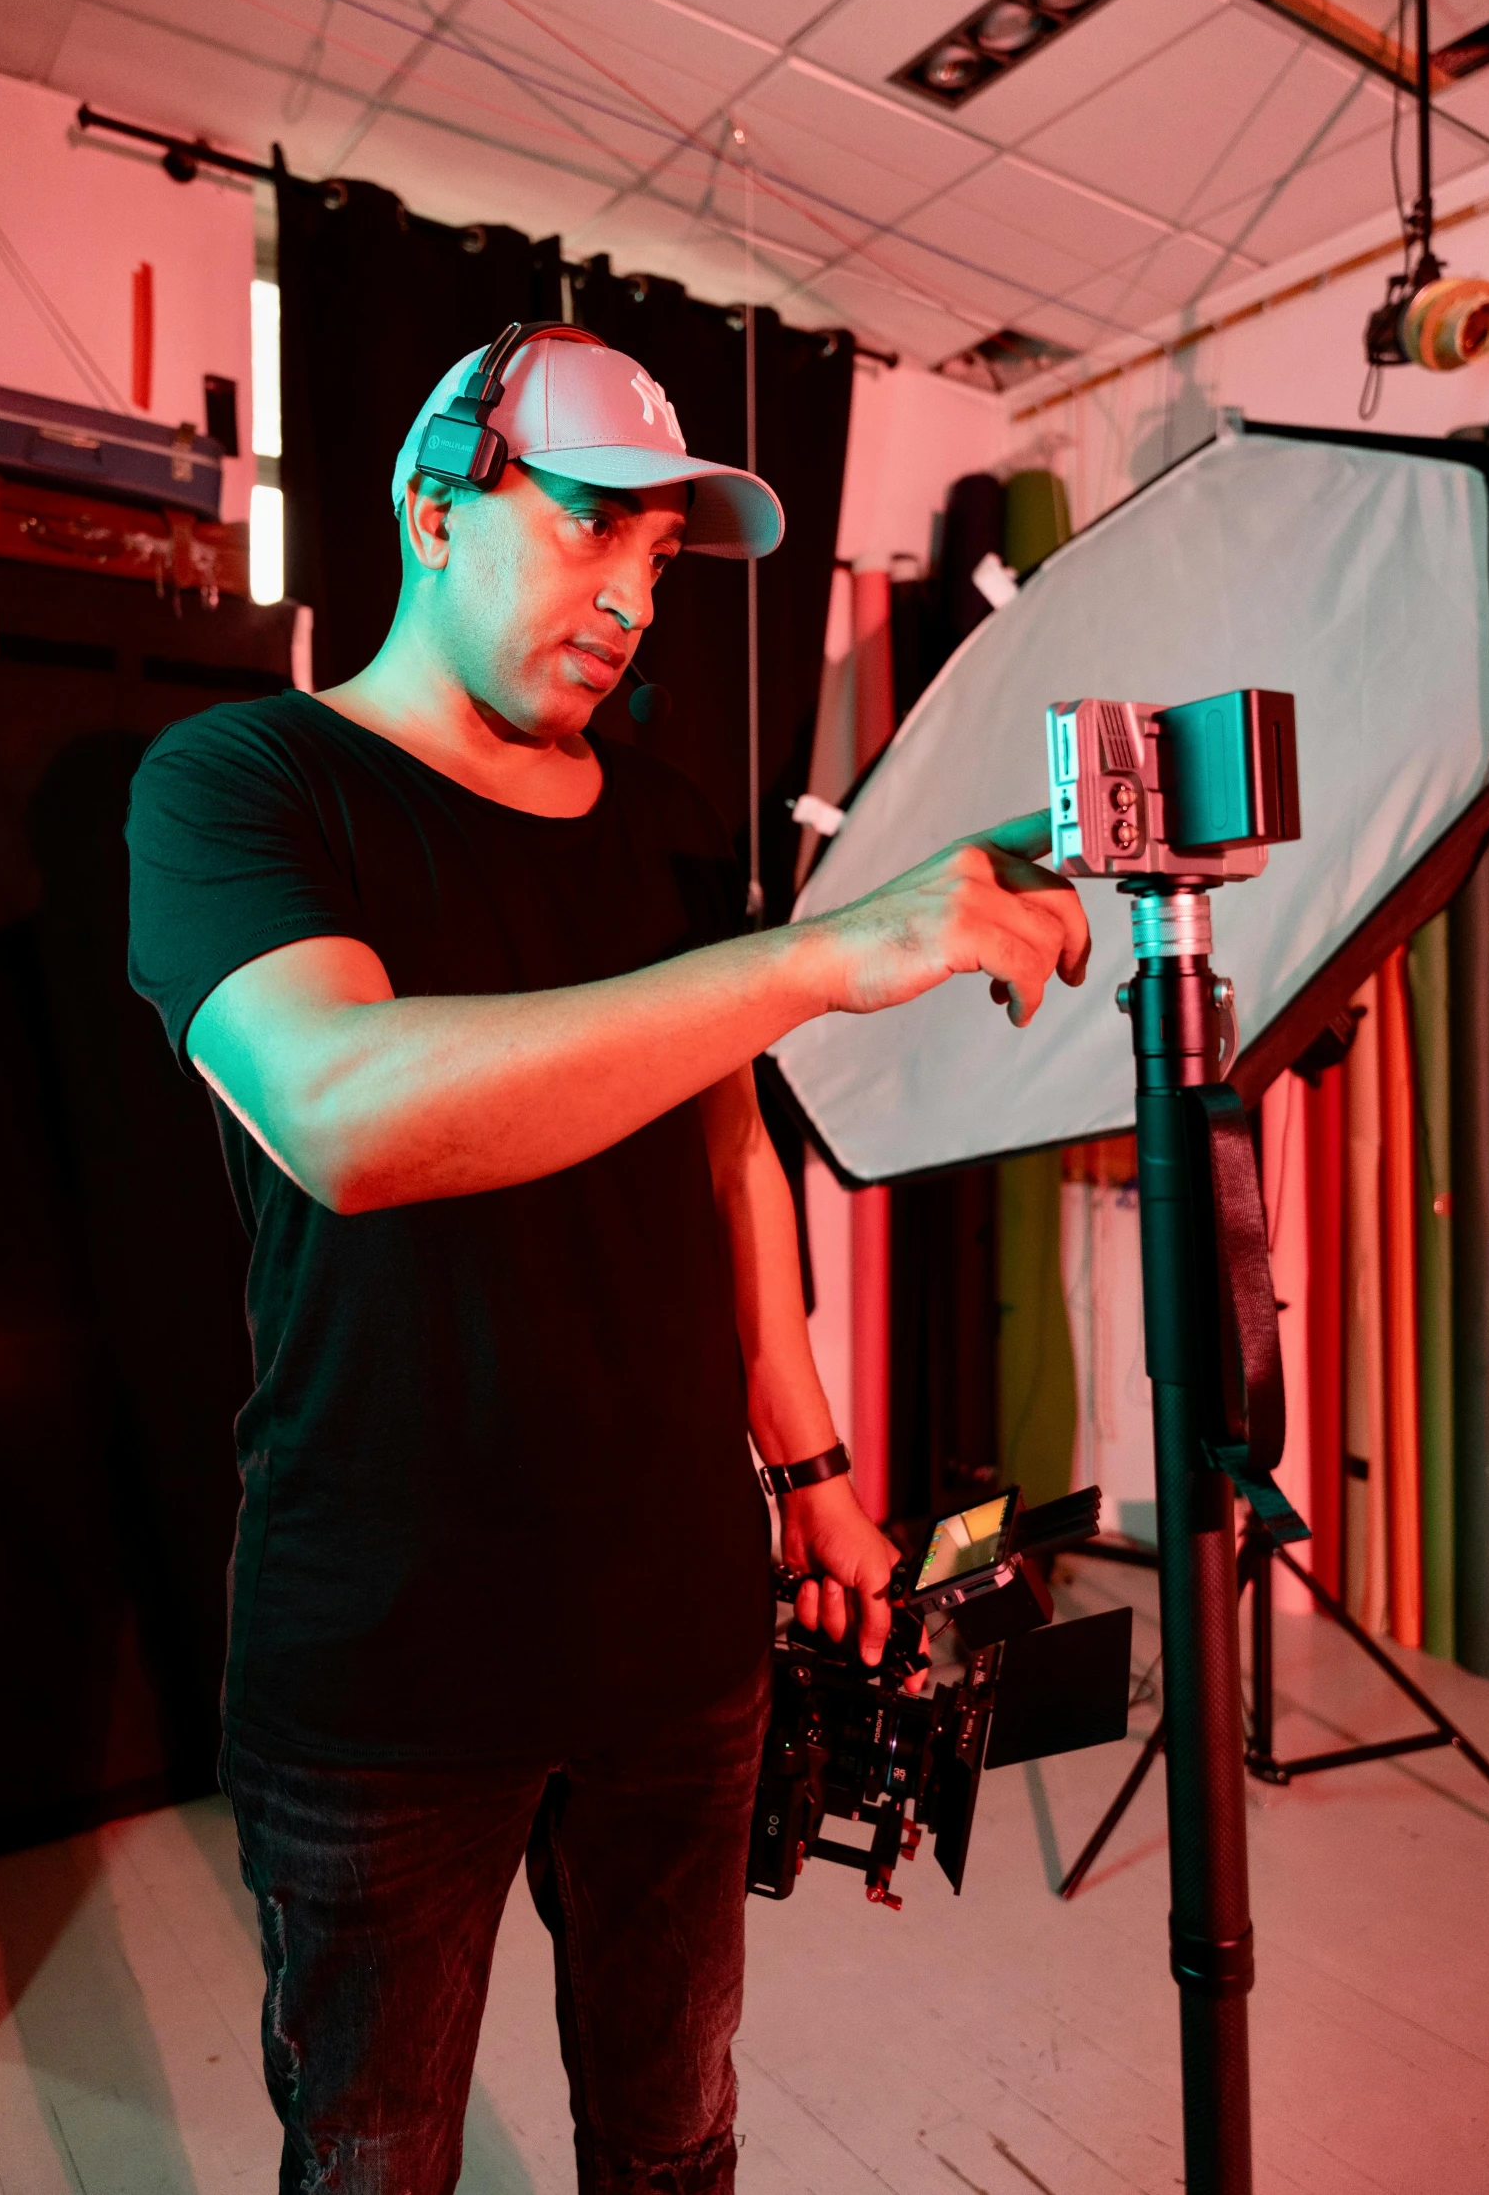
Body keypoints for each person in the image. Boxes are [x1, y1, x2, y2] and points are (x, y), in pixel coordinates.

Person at [125, 324, 1089, 2195]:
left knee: (673, 2134)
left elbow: (725, 1138)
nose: (633, 597)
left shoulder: (653, 824)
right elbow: (345, 1109)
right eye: (587, 530)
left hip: (677, 1628)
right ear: (429, 507)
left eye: (659, 560)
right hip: (384, 1650)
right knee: (374, 2153)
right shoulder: (236, 784)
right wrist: (819, 954)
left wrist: (810, 1473)